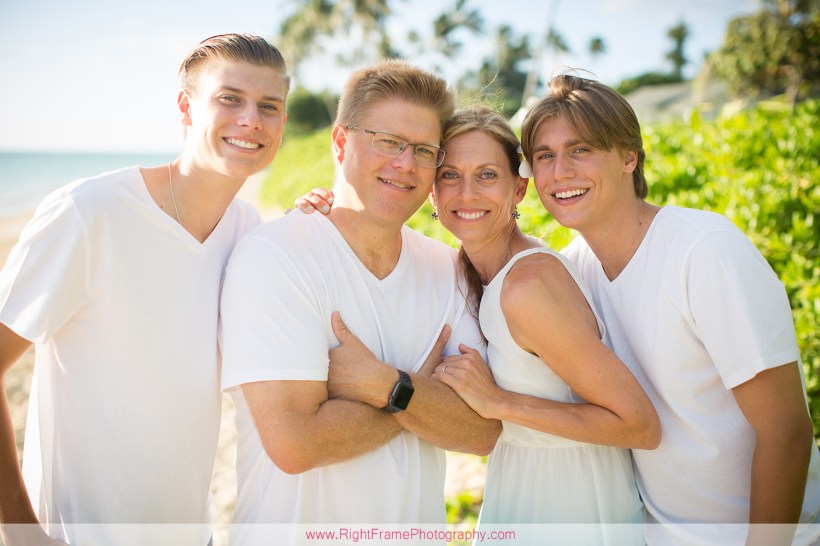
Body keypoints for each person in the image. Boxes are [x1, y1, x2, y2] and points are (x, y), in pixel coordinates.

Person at [297, 106, 661, 545]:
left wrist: (499, 402)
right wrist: (328, 210)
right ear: (431, 191)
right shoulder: (467, 270)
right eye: (450, 175)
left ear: (519, 188)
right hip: (520, 480)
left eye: (487, 175)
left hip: (573, 496)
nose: (466, 194)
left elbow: (638, 424)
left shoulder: (526, 286)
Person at [0, 33, 289, 546]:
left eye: (269, 106)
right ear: (186, 106)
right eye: (230, 98)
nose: (252, 119)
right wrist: (21, 532)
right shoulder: (88, 213)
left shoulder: (252, 232)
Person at [519, 74, 820, 545]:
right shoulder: (570, 271)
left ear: (628, 157)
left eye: (581, 150)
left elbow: (786, 431)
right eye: (544, 156)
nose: (559, 172)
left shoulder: (704, 251)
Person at [218, 60, 499, 546]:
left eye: (424, 150)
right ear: (341, 141)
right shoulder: (276, 256)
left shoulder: (448, 270)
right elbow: (297, 444)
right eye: (387, 142)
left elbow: (481, 432)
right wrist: (421, 390)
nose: (405, 164)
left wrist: (385, 384)